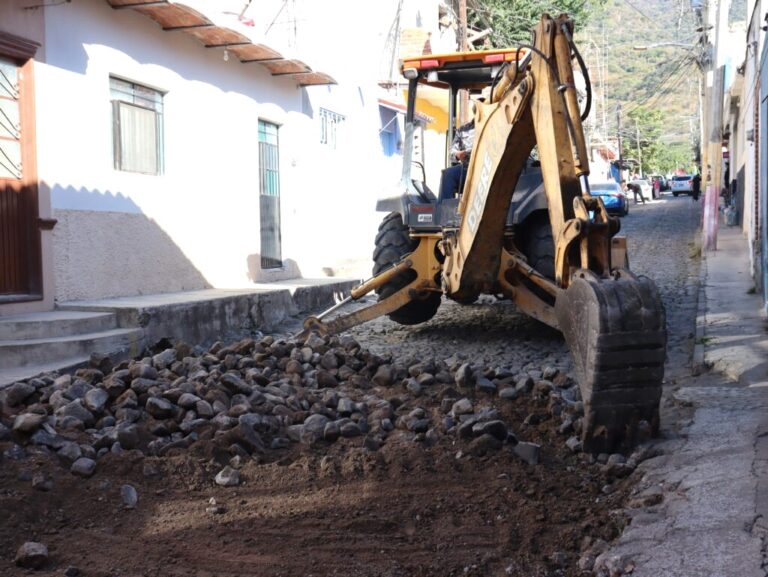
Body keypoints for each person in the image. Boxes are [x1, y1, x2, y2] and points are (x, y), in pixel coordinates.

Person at [439, 119, 475, 201]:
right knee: (448, 174)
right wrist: (458, 154)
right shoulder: (463, 130)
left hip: (487, 169)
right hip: (468, 169)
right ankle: (445, 209)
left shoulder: (493, 126)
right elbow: (452, 153)